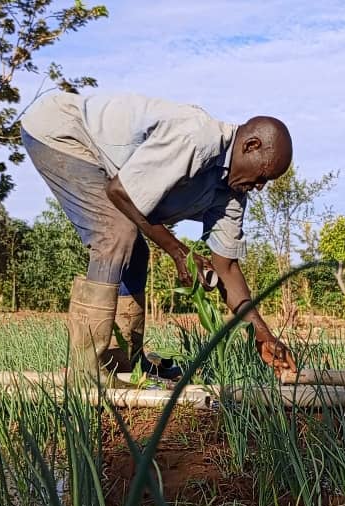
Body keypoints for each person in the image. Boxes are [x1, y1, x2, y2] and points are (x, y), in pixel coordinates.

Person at [19, 91, 297, 386]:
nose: (260, 187)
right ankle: (86, 373)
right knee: (115, 234)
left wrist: (262, 335)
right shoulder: (197, 139)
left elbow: (226, 267)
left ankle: (123, 360)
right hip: (62, 131)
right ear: (250, 145)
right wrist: (179, 253)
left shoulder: (233, 193)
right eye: (263, 176)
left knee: (135, 252)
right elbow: (121, 193)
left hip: (103, 163)